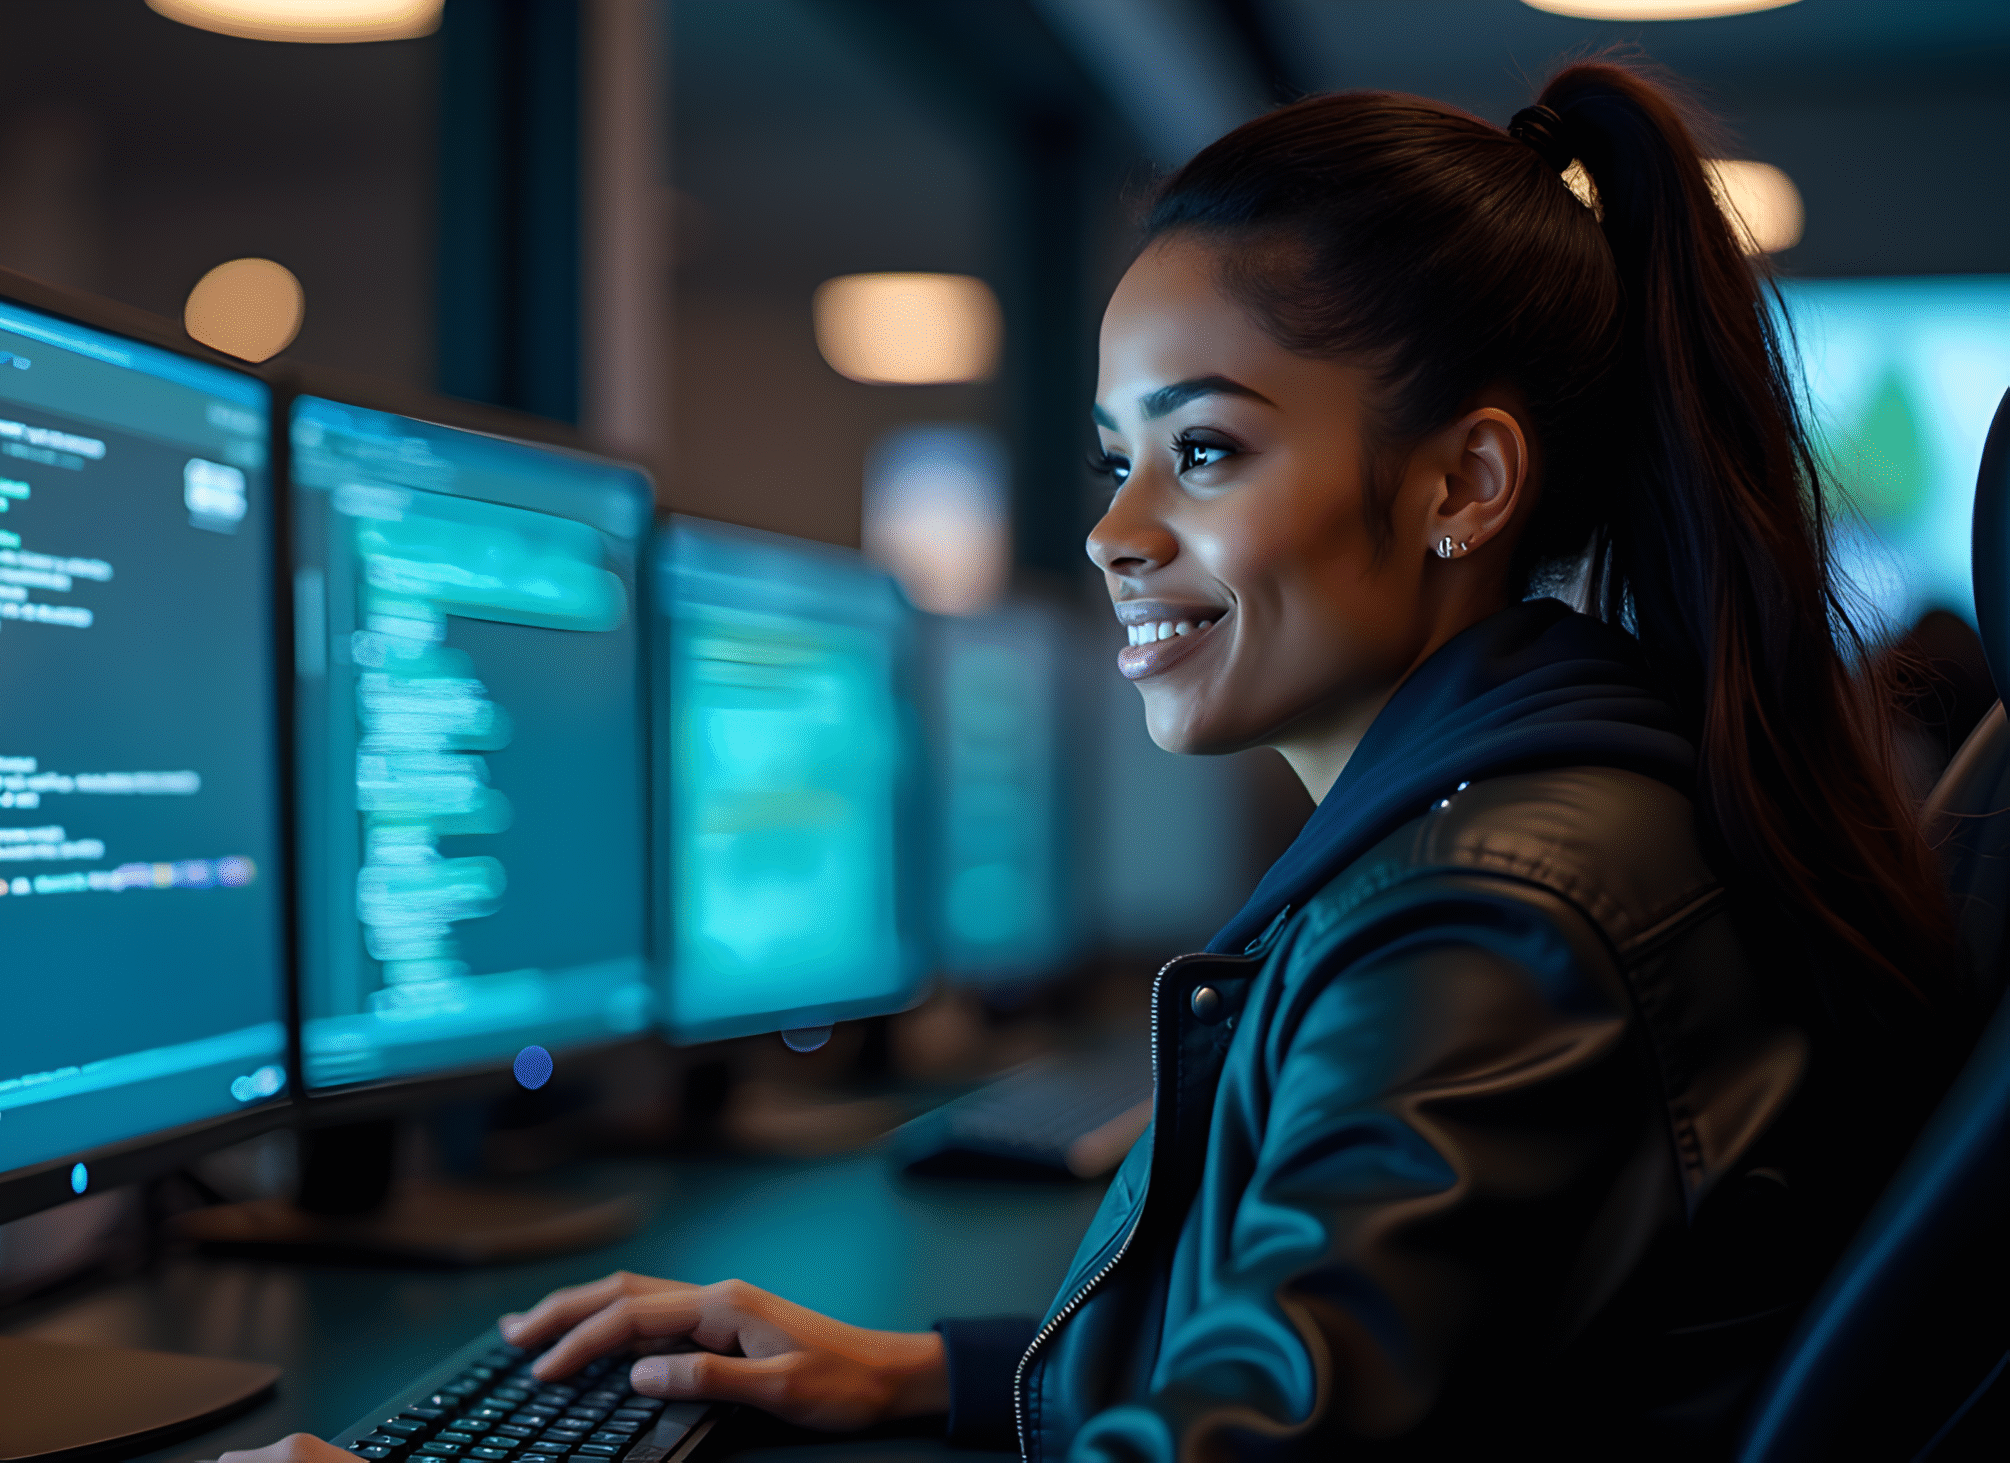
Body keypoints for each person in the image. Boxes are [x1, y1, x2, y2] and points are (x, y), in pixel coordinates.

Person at [222, 58, 1966, 1463]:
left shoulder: (1493, 922)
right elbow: (1315, 1383)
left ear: (1465, 482)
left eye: (1204, 451)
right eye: (1110, 456)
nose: (1115, 532)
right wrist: (929, 1369)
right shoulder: (1534, 823)